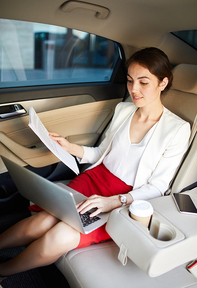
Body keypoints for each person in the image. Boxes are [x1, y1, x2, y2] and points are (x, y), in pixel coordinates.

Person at [0, 47, 190, 282]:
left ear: (163, 83)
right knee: (41, 221)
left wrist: (113, 202)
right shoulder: (124, 110)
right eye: (130, 81)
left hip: (125, 199)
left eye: (144, 82)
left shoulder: (178, 129)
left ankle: (4, 273)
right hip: (95, 178)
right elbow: (101, 152)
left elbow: (159, 186)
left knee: (59, 236)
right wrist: (69, 147)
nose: (133, 89)